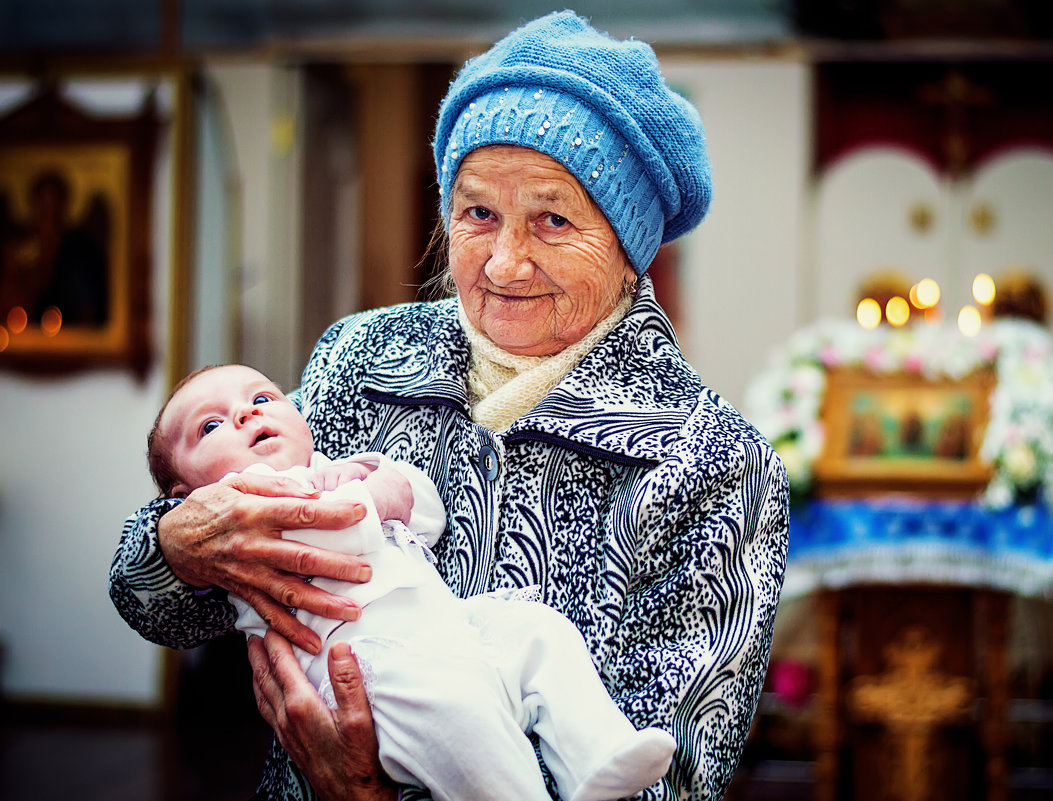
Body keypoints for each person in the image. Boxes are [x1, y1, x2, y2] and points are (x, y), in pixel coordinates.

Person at [110, 11, 790, 801]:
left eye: (553, 218)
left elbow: (672, 782)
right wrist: (178, 543)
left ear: (629, 245)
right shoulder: (364, 361)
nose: (505, 261)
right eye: (477, 213)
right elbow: (162, 605)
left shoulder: (713, 463)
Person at [147, 362, 677, 801]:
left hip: (451, 633)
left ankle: (596, 754)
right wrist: (367, 498)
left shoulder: (340, 469)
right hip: (374, 676)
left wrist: (387, 480)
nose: (246, 413)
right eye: (210, 427)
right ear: (184, 494)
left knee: (536, 628)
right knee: (461, 724)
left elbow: (429, 514)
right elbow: (330, 536)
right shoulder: (237, 515)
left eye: (262, 395)